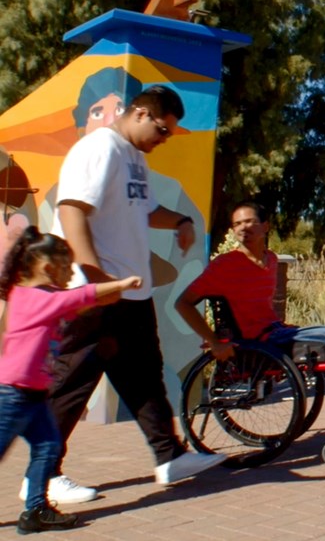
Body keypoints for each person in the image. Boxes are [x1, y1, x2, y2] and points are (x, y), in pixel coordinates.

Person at [29, 85, 226, 506]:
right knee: (70, 385)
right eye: (162, 129)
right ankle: (41, 477)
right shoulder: (100, 148)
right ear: (139, 113)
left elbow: (146, 210)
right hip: (94, 294)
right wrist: (95, 279)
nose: (164, 138)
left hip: (130, 295)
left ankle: (169, 457)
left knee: (144, 379)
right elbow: (72, 210)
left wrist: (182, 220)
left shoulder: (133, 156)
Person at [175, 202, 325, 438]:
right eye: (237, 224)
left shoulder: (270, 260)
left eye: (249, 221)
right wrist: (214, 341)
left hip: (278, 331)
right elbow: (182, 303)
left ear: (265, 226)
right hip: (263, 340)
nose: (243, 228)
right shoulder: (225, 264)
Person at [0, 227, 141, 532]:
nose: (71, 273)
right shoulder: (29, 297)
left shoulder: (43, 297)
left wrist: (109, 298)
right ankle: (36, 508)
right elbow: (80, 296)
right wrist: (121, 284)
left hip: (34, 396)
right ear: (48, 268)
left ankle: (35, 511)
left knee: (49, 447)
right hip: (12, 395)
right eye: (67, 267)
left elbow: (79, 304)